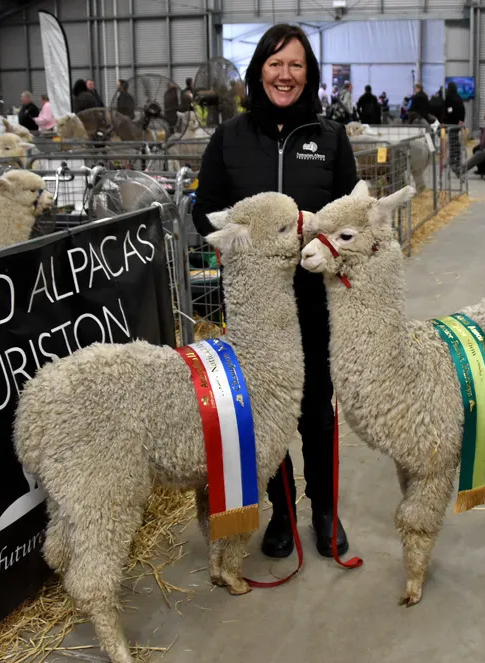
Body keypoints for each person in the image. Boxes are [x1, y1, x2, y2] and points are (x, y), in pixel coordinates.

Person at [192, 23, 358, 559]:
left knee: (315, 406)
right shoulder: (230, 139)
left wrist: (318, 229)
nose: (284, 75)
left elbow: (352, 218)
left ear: (307, 74)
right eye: (274, 63)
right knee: (265, 409)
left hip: (312, 299)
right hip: (257, 309)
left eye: (295, 65)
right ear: (258, 69)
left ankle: (326, 511)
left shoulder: (330, 138)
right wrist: (238, 238)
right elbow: (204, 211)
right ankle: (281, 512)